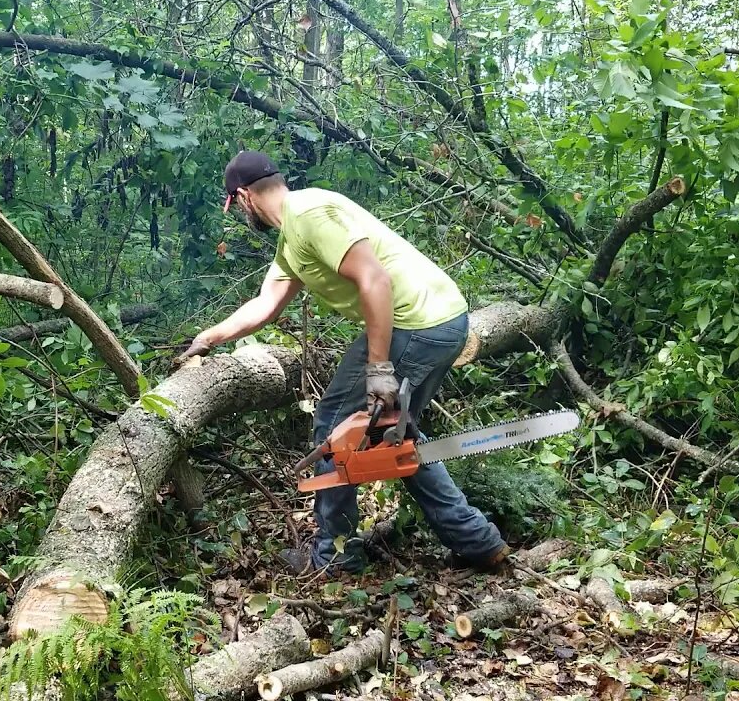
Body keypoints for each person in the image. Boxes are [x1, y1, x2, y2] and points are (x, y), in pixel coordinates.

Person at [175, 150, 509, 575]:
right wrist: (206, 339)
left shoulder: (310, 215)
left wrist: (378, 370)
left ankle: (335, 558)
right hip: (441, 320)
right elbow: (266, 304)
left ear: (243, 198)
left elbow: (375, 279)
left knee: (335, 425)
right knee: (392, 435)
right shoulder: (293, 235)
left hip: (418, 324)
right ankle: (478, 542)